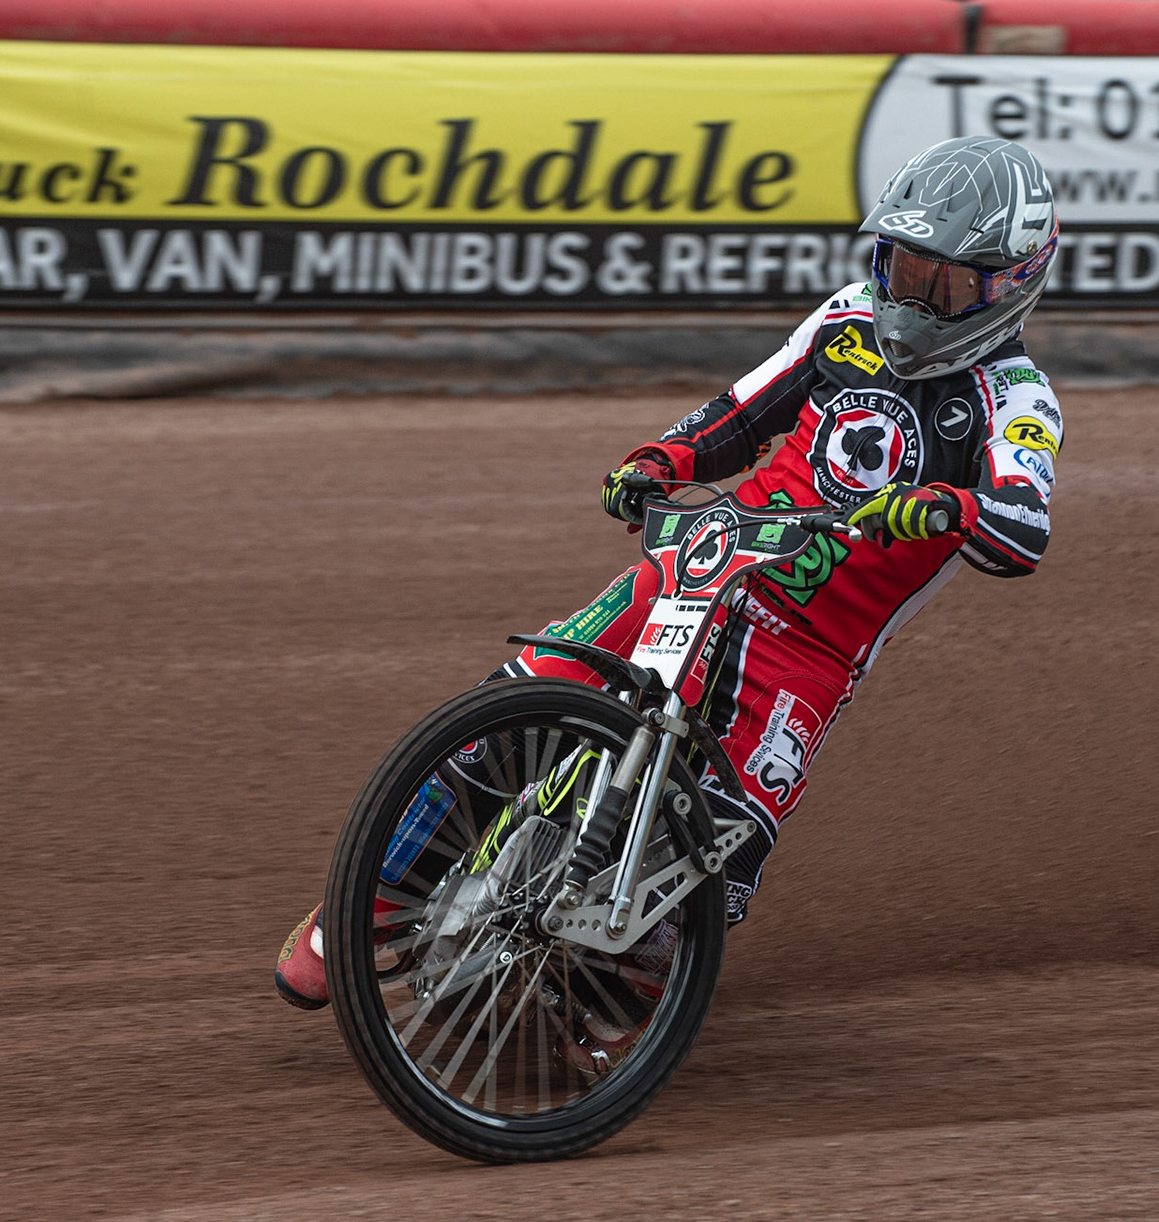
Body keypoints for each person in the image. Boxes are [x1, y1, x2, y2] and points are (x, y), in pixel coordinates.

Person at [276, 136, 1064, 1010]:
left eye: (941, 281)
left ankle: (616, 1018)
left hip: (807, 645)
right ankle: (366, 906)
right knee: (509, 705)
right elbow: (739, 411)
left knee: (719, 849)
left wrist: (951, 509)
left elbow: (1022, 524)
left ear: (1011, 280)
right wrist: (660, 458)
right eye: (901, 265)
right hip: (706, 557)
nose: (910, 296)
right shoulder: (846, 319)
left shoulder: (1017, 398)